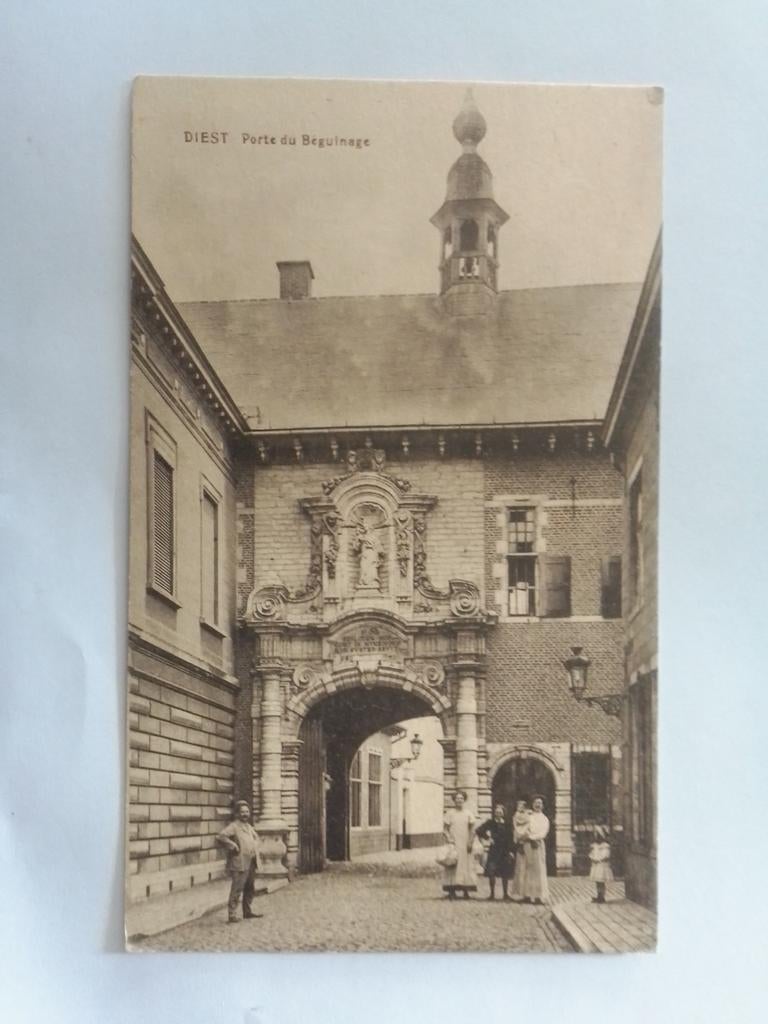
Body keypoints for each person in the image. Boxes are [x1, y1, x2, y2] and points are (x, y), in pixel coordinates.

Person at [216, 800, 263, 923]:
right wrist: (233, 845)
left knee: (250, 888)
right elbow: (221, 836)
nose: (245, 814)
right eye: (242, 812)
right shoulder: (234, 826)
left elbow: (257, 838)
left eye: (247, 812)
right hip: (240, 862)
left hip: (251, 862)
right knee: (237, 888)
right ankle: (232, 915)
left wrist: (255, 845)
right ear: (237, 813)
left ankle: (247, 911)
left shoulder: (249, 826)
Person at [441, 791, 477, 900]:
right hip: (454, 843)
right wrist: (449, 839)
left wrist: (470, 842)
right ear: (454, 800)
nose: (459, 800)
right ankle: (451, 891)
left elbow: (472, 829)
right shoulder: (450, 813)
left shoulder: (468, 813)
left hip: (465, 843)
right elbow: (445, 829)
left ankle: (466, 891)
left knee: (465, 866)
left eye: (461, 798)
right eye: (457, 798)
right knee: (452, 865)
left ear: (464, 800)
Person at [475, 804, 514, 901]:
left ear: (503, 813)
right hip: (494, 850)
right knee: (492, 872)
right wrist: (488, 838)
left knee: (505, 872)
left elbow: (511, 838)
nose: (498, 814)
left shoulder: (508, 824)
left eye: (500, 812)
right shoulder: (491, 822)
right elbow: (479, 830)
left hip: (505, 850)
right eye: (496, 812)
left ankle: (505, 894)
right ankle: (492, 894)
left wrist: (511, 851)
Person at [521, 795, 550, 905]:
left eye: (540, 803)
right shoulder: (528, 817)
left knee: (539, 870)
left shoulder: (545, 819)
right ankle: (527, 895)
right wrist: (528, 838)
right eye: (535, 802)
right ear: (532, 804)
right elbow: (524, 828)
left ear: (543, 806)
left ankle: (538, 896)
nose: (537, 805)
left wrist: (534, 839)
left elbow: (543, 832)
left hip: (538, 844)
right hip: (528, 843)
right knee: (527, 868)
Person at [510, 800, 530, 901]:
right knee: (520, 868)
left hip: (528, 842)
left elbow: (529, 827)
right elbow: (516, 828)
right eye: (518, 805)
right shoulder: (516, 816)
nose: (520, 807)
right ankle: (519, 893)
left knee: (528, 869)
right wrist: (519, 840)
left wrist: (525, 837)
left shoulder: (528, 815)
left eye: (522, 806)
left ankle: (527, 892)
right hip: (520, 842)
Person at [588, 825, 614, 903]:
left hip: (601, 865)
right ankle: (599, 895)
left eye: (598, 835)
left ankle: (602, 896)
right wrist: (592, 857)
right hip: (596, 865)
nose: (596, 837)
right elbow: (592, 853)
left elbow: (606, 856)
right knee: (597, 881)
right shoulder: (595, 846)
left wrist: (598, 859)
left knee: (601, 881)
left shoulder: (605, 846)